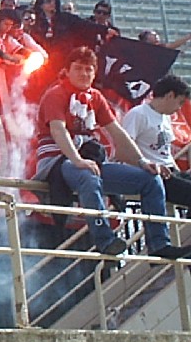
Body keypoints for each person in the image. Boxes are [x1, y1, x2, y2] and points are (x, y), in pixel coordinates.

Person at [32, 46, 189, 258]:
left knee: (151, 179)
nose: (84, 74)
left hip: (88, 161)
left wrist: (143, 163)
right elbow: (58, 130)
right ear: (66, 71)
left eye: (88, 70)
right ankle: (105, 240)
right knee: (88, 176)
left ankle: (159, 244)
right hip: (58, 161)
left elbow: (117, 132)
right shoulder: (56, 94)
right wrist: (78, 160)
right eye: (78, 69)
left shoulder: (95, 97)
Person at [122, 75, 191, 209]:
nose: (179, 108)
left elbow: (165, 153)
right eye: (180, 102)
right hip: (152, 174)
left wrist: (181, 174)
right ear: (170, 95)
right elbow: (124, 148)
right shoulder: (138, 114)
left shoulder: (165, 117)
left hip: (169, 172)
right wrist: (145, 164)